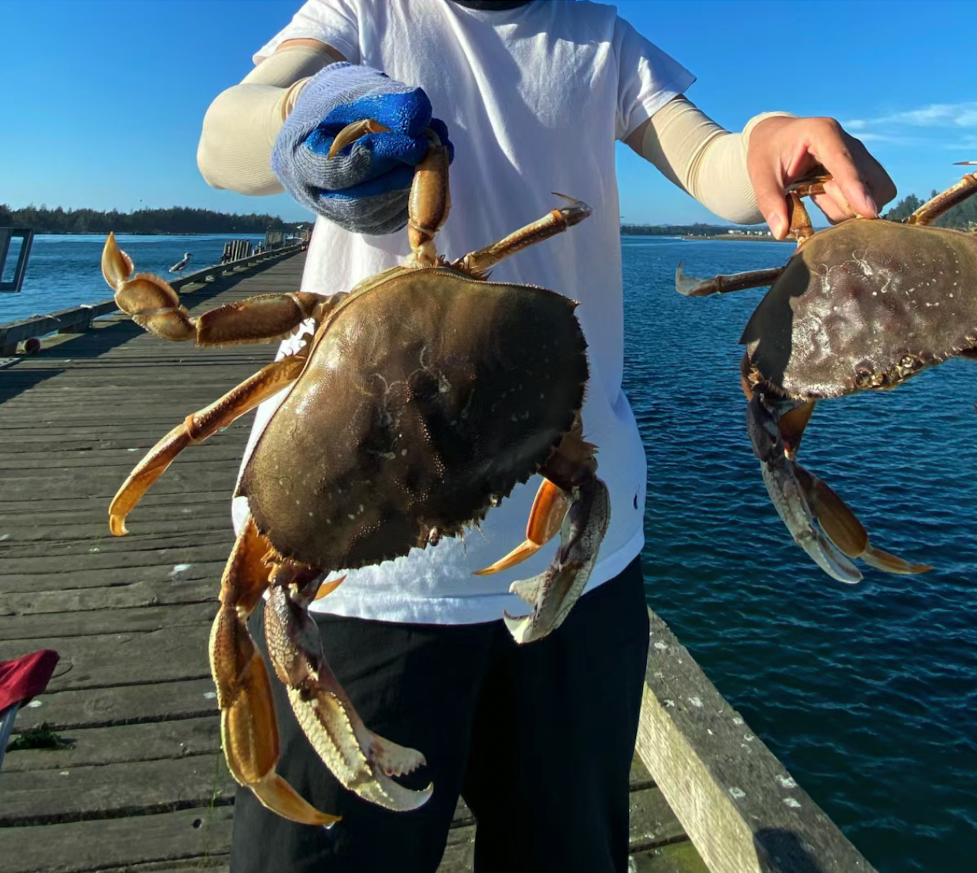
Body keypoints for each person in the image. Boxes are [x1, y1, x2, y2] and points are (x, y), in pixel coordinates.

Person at [196, 2, 895, 871]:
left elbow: (708, 158)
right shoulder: (363, 11)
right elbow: (221, 138)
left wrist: (765, 139)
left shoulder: (596, 35)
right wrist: (306, 114)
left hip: (576, 551)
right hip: (358, 567)